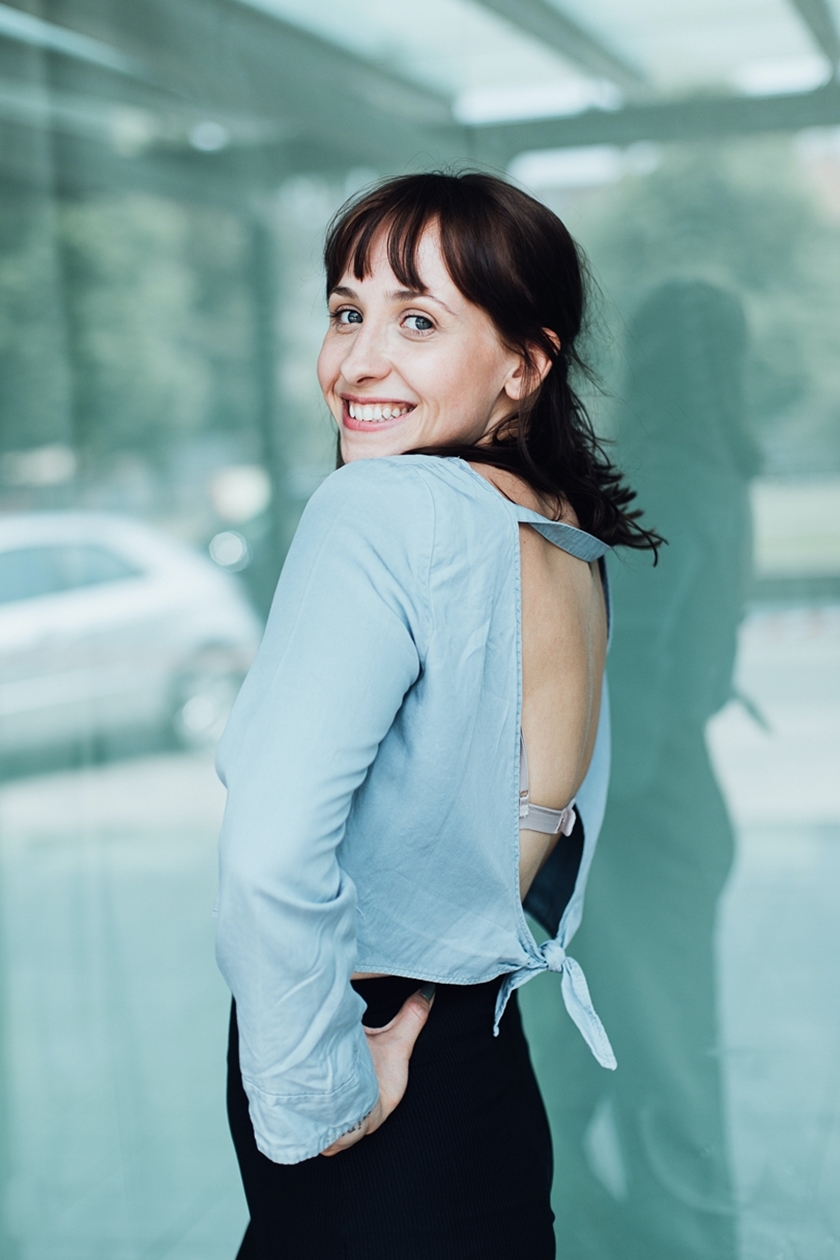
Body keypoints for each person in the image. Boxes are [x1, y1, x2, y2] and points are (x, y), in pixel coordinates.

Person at [214, 171, 661, 1259]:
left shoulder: (381, 508)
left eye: (417, 321)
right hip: (484, 1067)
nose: (358, 362)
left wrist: (319, 1096)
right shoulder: (559, 532)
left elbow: (270, 859)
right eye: (346, 312)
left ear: (525, 363)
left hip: (375, 1070)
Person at [545, 279, 760, 1258]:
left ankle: (679, 1243)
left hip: (636, 808)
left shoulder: (664, 476)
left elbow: (628, 672)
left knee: (650, 1063)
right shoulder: (719, 473)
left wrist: (557, 823)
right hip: (672, 798)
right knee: (613, 1055)